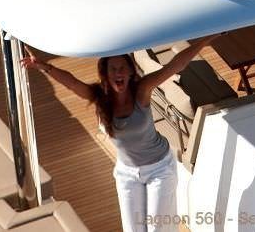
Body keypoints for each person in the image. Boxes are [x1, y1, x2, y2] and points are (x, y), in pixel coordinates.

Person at [23, 38, 215, 232]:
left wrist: (207, 39)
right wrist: (43, 67)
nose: (118, 73)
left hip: (160, 169)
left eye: (122, 67)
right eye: (113, 69)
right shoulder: (99, 97)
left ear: (131, 71)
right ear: (106, 75)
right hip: (127, 173)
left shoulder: (142, 90)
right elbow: (71, 83)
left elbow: (176, 65)